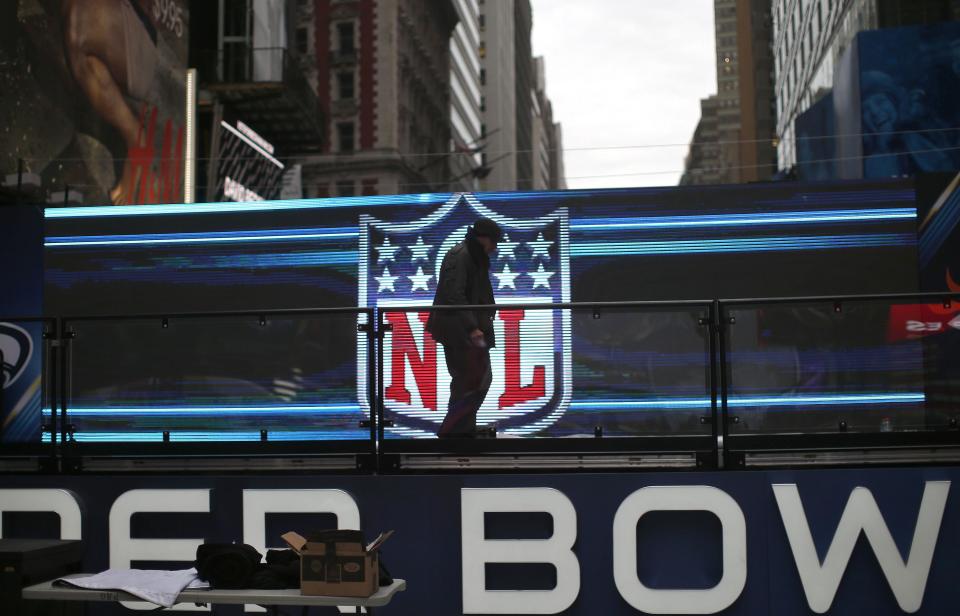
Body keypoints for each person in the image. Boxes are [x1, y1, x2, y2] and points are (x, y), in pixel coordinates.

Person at [426, 218, 502, 438]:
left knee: (473, 380)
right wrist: (472, 328)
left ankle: (460, 430)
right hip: (460, 331)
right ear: (484, 238)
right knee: (471, 380)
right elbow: (454, 295)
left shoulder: (474, 256)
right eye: (493, 242)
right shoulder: (461, 256)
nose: (494, 248)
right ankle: (454, 432)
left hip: (469, 329)